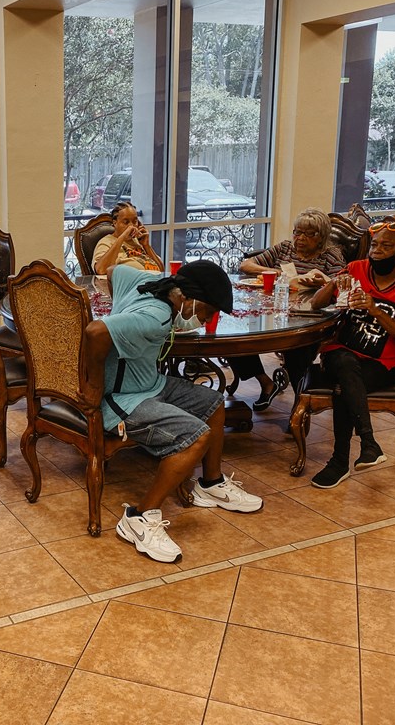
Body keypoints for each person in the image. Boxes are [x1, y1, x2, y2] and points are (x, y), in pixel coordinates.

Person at [85, 261, 263, 564]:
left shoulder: (152, 282)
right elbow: (95, 331)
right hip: (122, 399)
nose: (205, 319)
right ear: (188, 298)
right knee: (196, 437)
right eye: (206, 311)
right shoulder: (155, 317)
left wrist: (121, 308)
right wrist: (93, 387)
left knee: (214, 404)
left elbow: (114, 272)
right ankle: (138, 518)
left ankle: (211, 482)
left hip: (151, 383)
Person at [307, 219, 395, 489]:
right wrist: (335, 282)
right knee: (343, 360)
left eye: (386, 246)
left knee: (343, 386)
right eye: (374, 245)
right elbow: (316, 304)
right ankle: (369, 442)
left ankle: (339, 463)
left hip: (382, 364)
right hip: (340, 353)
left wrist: (375, 309)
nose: (377, 251)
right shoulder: (355, 269)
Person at [233, 207, 347, 409]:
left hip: (309, 316)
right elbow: (246, 265)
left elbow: (341, 282)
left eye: (308, 234)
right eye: (297, 232)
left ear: (321, 237)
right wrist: (275, 272)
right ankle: (265, 383)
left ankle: (299, 404)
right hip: (272, 311)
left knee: (297, 349)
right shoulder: (285, 248)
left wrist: (324, 283)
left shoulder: (331, 255)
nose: (300, 238)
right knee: (237, 339)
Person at [92, 202, 163, 274]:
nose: (131, 226)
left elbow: (162, 270)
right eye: (126, 222)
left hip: (154, 281)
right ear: (115, 223)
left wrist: (146, 246)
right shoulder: (106, 242)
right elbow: (100, 270)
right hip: (133, 283)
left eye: (135, 221)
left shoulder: (139, 241)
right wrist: (122, 238)